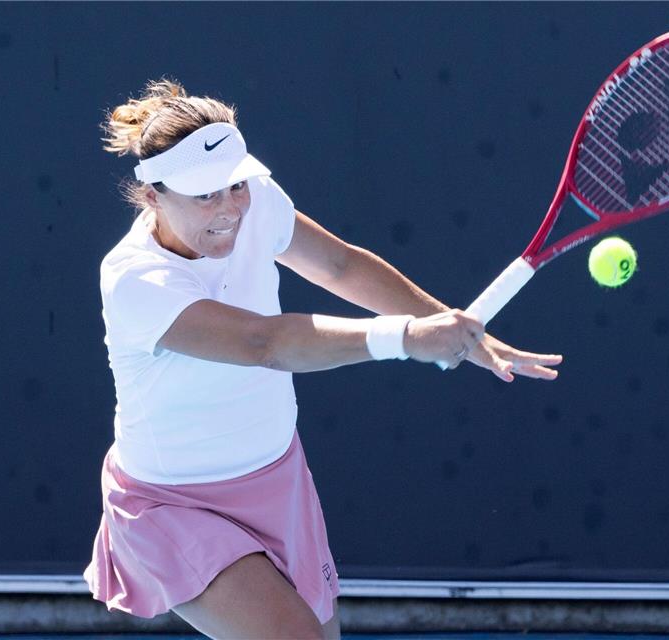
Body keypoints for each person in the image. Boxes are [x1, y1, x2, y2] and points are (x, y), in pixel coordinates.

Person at [83, 78, 562, 640]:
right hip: (173, 502)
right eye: (204, 194)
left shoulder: (257, 203)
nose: (229, 207)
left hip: (277, 477)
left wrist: (457, 328)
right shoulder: (136, 279)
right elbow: (264, 344)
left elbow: (341, 267)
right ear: (153, 195)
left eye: (235, 185)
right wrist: (405, 337)